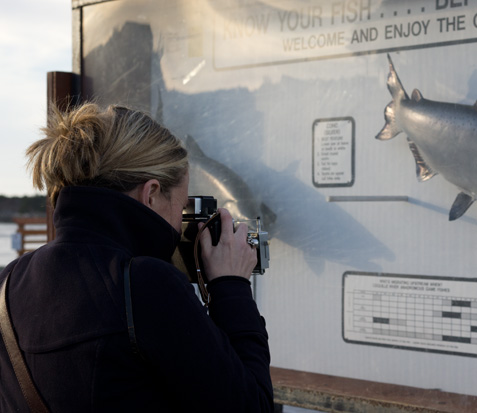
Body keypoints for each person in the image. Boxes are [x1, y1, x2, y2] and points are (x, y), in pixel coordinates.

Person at [0, 103, 273, 412]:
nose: (179, 224)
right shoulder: (144, 285)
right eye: (180, 207)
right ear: (152, 193)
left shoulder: (8, 284)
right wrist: (231, 286)